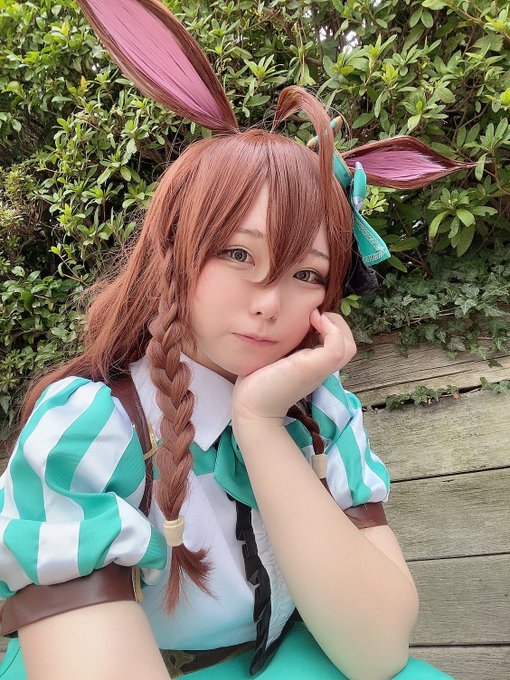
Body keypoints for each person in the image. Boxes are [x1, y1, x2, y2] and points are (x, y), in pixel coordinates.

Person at [0, 2, 469, 678]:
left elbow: (377, 650)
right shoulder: (95, 426)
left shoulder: (323, 410)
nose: (270, 303)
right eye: (238, 254)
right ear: (174, 253)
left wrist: (259, 422)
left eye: (307, 273)